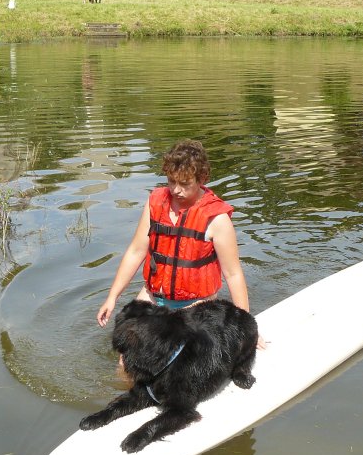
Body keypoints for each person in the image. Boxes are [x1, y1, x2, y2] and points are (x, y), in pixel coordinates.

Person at [96, 139, 254, 327]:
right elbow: (136, 251)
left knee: (181, 351)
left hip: (196, 304)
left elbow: (233, 274)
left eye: (185, 183)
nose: (176, 190)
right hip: (153, 296)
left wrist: (246, 327)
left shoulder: (217, 219)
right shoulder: (155, 203)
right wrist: (112, 297)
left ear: (202, 179)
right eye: (172, 181)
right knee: (127, 351)